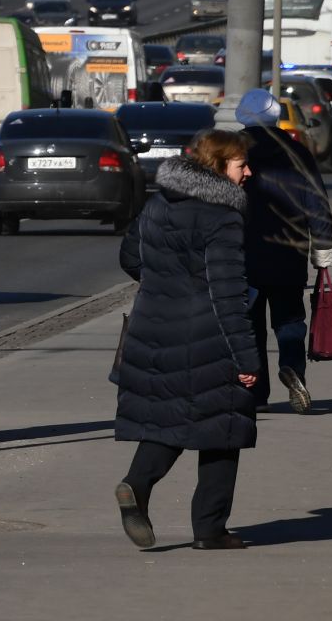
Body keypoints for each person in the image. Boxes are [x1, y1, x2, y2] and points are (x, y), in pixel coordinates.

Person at [112, 130, 262, 550]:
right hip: (208, 336)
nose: (247, 172)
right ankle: (209, 529)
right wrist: (248, 360)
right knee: (223, 427)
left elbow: (129, 258)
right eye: (240, 165)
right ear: (217, 167)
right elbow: (228, 293)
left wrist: (166, 286)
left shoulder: (158, 203)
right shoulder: (223, 217)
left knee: (169, 418)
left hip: (153, 330)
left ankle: (136, 485)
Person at [234, 88, 332, 413]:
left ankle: (254, 392)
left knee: (249, 324)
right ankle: (294, 368)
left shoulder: (233, 155)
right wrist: (322, 253)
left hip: (242, 256)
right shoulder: (297, 153)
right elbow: (317, 205)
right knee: (289, 318)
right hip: (288, 253)